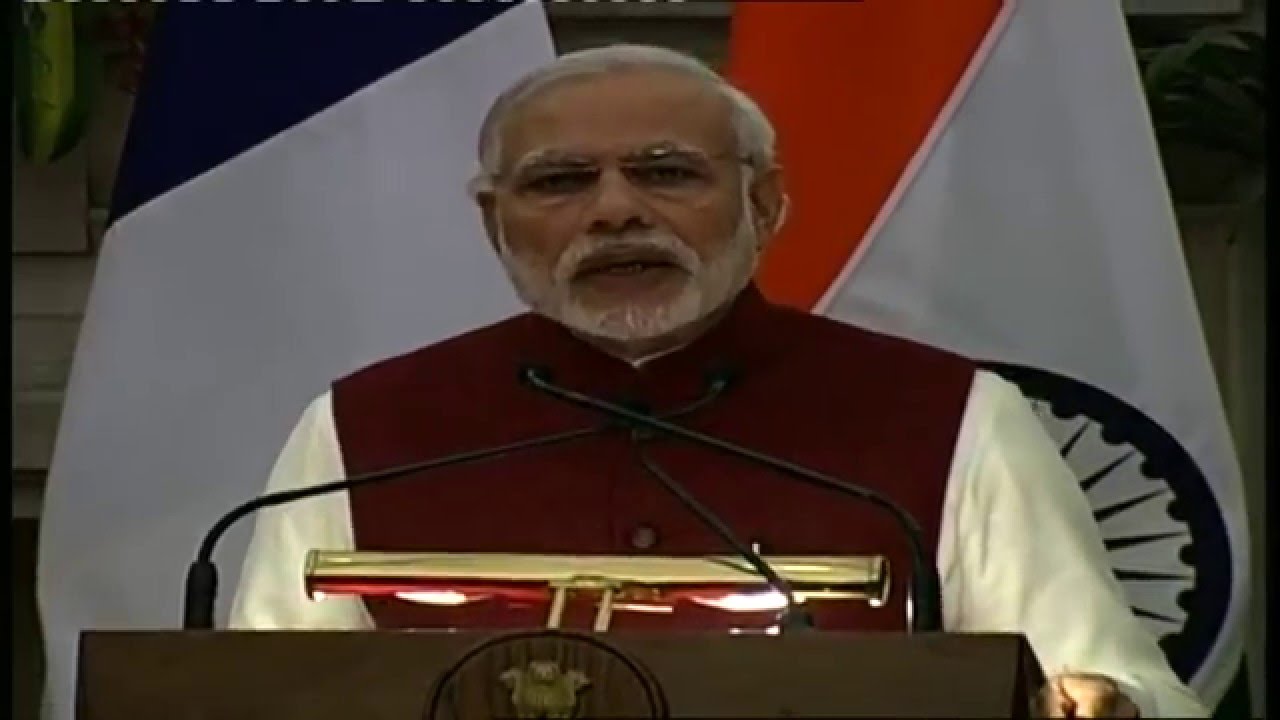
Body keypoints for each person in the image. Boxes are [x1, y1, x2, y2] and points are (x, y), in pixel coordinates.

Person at [230, 44, 1207, 718]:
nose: (614, 212)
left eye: (665, 172)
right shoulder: (366, 427)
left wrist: (1103, 702)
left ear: (764, 202)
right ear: (495, 223)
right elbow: (256, 693)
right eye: (559, 181)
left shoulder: (946, 415)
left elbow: (1117, 681)